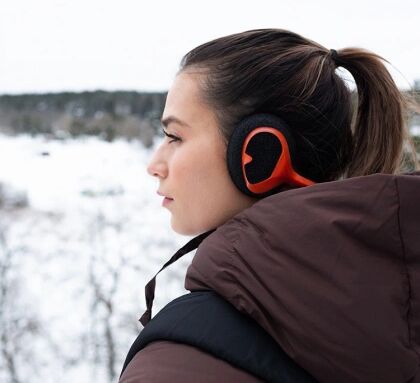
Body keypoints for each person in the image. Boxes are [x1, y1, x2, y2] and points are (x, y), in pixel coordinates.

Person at [119, 29, 420, 383]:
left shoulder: (177, 363)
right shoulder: (396, 297)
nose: (154, 164)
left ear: (261, 153)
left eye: (174, 137)